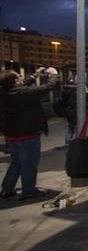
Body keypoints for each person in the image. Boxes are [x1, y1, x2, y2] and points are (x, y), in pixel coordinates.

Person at [0, 67, 59, 200]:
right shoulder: (24, 93)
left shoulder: (4, 92)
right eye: (18, 77)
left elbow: (21, 86)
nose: (21, 79)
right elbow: (47, 87)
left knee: (17, 162)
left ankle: (7, 189)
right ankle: (29, 191)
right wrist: (54, 75)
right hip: (27, 134)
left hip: (12, 135)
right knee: (29, 163)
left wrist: (35, 75)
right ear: (15, 81)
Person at [60, 80, 77, 144]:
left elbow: (63, 101)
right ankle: (73, 143)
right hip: (75, 111)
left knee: (70, 128)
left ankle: (67, 142)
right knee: (76, 128)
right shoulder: (77, 90)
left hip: (68, 111)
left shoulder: (64, 90)